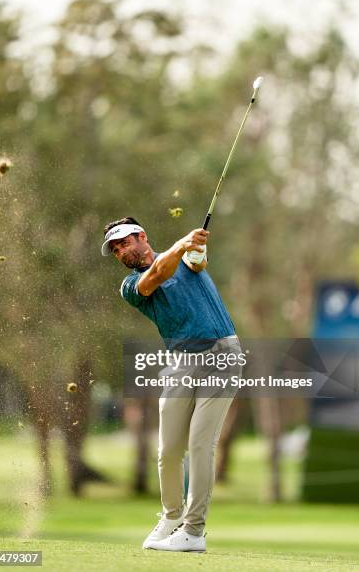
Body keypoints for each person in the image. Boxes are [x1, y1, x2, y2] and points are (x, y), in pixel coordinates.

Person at [101, 216, 242, 552]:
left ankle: (193, 531)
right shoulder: (132, 287)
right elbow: (157, 275)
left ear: (142, 236)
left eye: (124, 242)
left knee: (200, 445)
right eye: (115, 249)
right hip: (182, 363)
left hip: (222, 355)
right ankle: (170, 517)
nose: (121, 251)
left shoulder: (185, 258)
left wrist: (196, 247)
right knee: (167, 451)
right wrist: (183, 243)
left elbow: (197, 261)